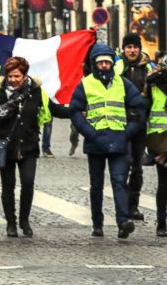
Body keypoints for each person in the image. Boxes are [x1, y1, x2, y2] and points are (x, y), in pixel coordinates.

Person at [0, 56, 69, 237]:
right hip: (5, 146)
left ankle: (24, 221)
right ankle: (11, 223)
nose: (13, 80)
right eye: (10, 76)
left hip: (28, 146)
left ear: (25, 76)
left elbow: (55, 110)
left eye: (17, 76)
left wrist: (77, 110)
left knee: (27, 183)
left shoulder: (36, 92)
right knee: (7, 185)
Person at [70, 43, 147, 239]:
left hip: (118, 140)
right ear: (94, 64)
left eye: (107, 62)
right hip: (95, 141)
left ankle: (123, 222)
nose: (104, 65)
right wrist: (90, 133)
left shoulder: (123, 84)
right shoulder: (85, 84)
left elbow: (139, 108)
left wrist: (127, 132)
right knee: (96, 185)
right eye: (100, 62)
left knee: (119, 182)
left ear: (112, 63)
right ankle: (97, 223)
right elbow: (75, 111)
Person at [115, 33, 151, 222]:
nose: (132, 50)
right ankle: (122, 206)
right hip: (120, 123)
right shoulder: (117, 66)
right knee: (123, 165)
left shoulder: (149, 68)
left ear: (139, 48)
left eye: (135, 47)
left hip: (141, 124)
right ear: (123, 49)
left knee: (136, 167)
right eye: (128, 47)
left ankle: (133, 205)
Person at [145, 60, 167, 237]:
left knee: (163, 184)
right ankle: (161, 222)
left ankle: (162, 223)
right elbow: (145, 109)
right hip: (160, 138)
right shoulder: (153, 84)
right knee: (164, 183)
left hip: (158, 137)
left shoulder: (153, 83)